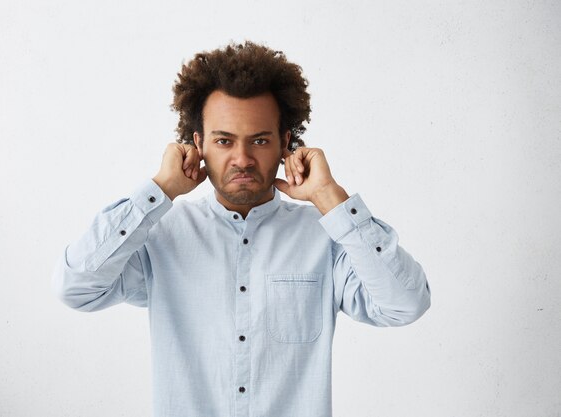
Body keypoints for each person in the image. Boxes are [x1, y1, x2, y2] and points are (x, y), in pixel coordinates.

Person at [52, 40, 431, 417]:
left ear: (286, 143)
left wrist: (333, 200)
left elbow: (404, 305)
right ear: (198, 144)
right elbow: (76, 288)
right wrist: (159, 190)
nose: (242, 159)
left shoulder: (326, 238)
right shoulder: (161, 237)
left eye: (260, 140)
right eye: (224, 140)